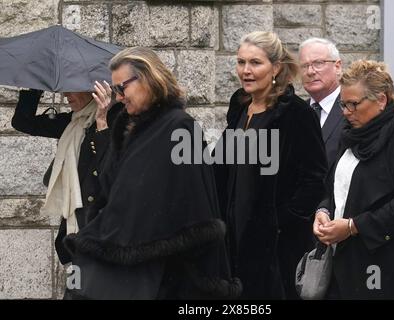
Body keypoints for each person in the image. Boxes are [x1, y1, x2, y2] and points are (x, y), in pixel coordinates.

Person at [63, 47, 241, 300]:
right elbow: (110, 188)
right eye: (115, 91)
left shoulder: (180, 127)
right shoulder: (125, 128)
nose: (119, 98)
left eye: (122, 88)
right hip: (125, 264)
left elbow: (198, 207)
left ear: (148, 77)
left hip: (163, 275)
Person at [313, 60, 394, 299]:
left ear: (381, 100)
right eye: (343, 104)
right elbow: (336, 188)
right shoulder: (350, 136)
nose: (346, 112)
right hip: (346, 265)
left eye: (353, 104)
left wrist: (354, 226)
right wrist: (323, 210)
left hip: (391, 268)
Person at [214, 31, 328, 299]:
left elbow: (314, 179)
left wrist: (276, 223)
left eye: (255, 63)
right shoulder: (240, 109)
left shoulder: (296, 114)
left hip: (277, 250)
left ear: (275, 67)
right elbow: (221, 169)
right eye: (241, 62)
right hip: (235, 241)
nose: (246, 70)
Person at [11, 84, 122, 267]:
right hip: (77, 228)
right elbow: (23, 122)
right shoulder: (73, 122)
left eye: (73, 87)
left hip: (105, 227)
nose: (65, 94)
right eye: (64, 87)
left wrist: (102, 123)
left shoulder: (118, 118)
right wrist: (36, 87)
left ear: (94, 88)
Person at [299, 37, 345, 168]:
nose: (310, 72)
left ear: (337, 67)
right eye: (304, 66)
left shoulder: (354, 109)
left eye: (318, 63)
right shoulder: (295, 113)